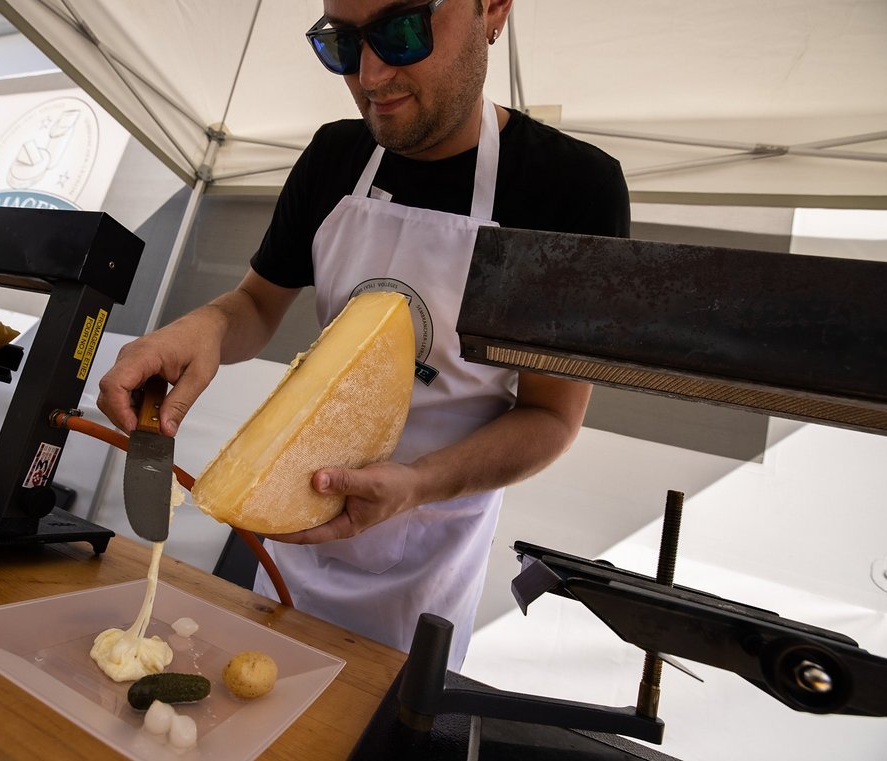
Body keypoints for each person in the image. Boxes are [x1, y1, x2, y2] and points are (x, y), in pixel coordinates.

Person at [98, 0, 630, 668]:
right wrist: (201, 328)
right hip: (292, 531)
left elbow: (552, 416)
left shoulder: (569, 188)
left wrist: (415, 482)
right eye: (342, 45)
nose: (371, 75)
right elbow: (256, 306)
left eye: (401, 31)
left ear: (491, 9)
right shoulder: (336, 156)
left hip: (425, 566)